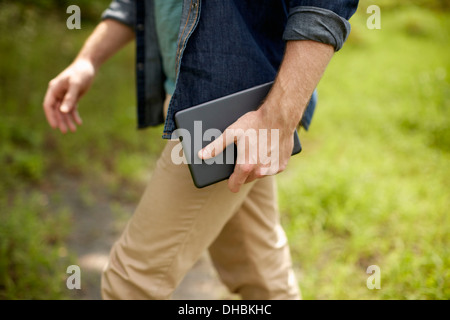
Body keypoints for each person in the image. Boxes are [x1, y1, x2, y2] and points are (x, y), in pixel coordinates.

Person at [43, 0, 359, 300]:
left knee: (131, 284)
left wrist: (276, 119)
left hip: (229, 115)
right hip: (201, 102)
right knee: (260, 276)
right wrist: (88, 59)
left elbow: (324, 4)